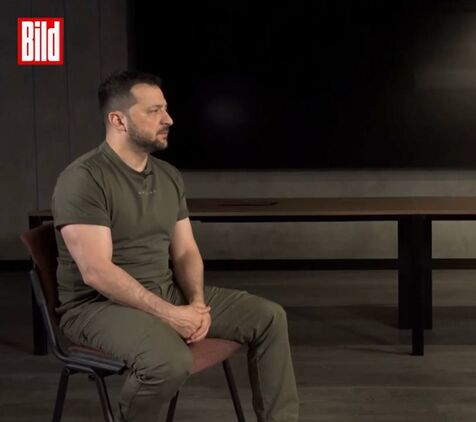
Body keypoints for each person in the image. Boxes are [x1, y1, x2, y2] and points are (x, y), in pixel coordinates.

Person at [52, 71, 298, 422]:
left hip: (163, 291)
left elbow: (185, 251)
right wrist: (170, 314)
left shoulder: (168, 176)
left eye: (165, 109)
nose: (168, 119)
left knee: (269, 317)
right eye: (154, 111)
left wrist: (196, 303)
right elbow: (96, 272)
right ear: (118, 120)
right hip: (97, 307)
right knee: (167, 362)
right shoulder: (84, 178)